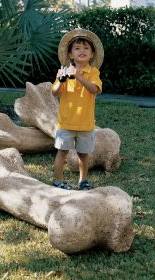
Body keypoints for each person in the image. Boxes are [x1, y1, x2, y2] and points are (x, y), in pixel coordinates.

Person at [51, 28, 104, 190]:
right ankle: (58, 181)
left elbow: (94, 90)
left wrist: (78, 76)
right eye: (77, 48)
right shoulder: (64, 72)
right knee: (62, 152)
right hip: (65, 123)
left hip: (85, 123)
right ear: (70, 55)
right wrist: (61, 80)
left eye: (86, 48)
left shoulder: (93, 72)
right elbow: (54, 92)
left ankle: (83, 181)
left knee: (83, 154)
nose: (82, 51)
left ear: (92, 54)